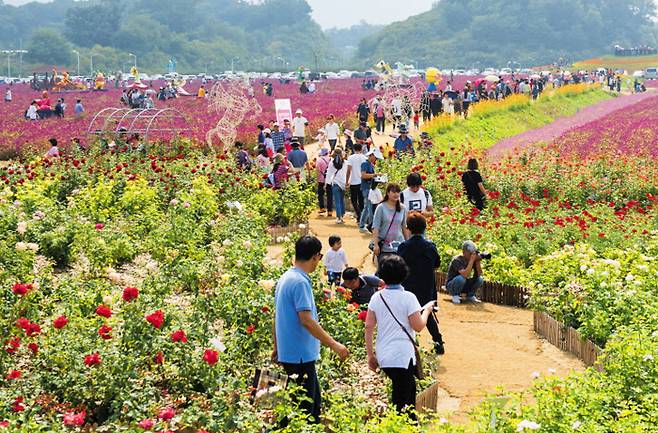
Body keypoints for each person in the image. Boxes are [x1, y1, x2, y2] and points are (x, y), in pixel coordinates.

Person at [273, 236, 349, 425]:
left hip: (292, 353)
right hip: (300, 356)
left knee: (307, 408)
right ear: (315, 257)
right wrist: (334, 345)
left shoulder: (286, 277)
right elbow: (306, 320)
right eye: (320, 257)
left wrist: (276, 347)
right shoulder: (300, 282)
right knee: (306, 413)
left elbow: (276, 316)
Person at [364, 255, 435, 419]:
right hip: (402, 357)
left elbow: (368, 327)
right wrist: (427, 311)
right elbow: (418, 326)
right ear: (404, 274)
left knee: (407, 392)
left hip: (384, 355)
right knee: (402, 402)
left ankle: (406, 425)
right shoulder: (409, 297)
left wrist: (370, 355)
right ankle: (400, 426)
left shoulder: (377, 297)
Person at [397, 213, 445, 354]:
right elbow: (437, 264)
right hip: (426, 285)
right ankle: (438, 343)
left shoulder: (404, 247)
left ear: (408, 228)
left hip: (408, 285)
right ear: (424, 228)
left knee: (406, 315)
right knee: (427, 314)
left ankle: (410, 345)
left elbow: (399, 265)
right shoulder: (430, 246)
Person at [371, 183, 409, 269]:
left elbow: (404, 227)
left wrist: (407, 243)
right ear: (388, 193)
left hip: (399, 245)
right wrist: (375, 244)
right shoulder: (381, 208)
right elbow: (375, 227)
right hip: (384, 246)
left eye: (398, 192)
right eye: (393, 192)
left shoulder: (402, 208)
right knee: (384, 272)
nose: (396, 194)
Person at [358, 148, 383, 232]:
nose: (376, 159)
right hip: (366, 188)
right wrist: (374, 175)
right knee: (370, 207)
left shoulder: (370, 164)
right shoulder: (365, 164)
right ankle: (372, 226)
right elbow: (363, 175)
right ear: (371, 155)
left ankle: (362, 225)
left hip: (370, 188)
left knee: (367, 207)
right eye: (375, 157)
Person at [346, 143, 367, 222]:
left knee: (354, 200)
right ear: (361, 149)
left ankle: (359, 215)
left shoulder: (351, 158)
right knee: (361, 200)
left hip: (354, 181)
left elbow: (349, 170)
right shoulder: (364, 158)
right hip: (362, 181)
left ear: (354, 149)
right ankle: (360, 217)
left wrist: (347, 180)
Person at [326, 148, 347, 224]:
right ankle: (342, 214)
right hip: (343, 183)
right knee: (341, 200)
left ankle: (339, 217)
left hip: (335, 183)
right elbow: (347, 173)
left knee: (337, 201)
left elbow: (329, 173)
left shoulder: (332, 162)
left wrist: (327, 183)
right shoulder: (345, 162)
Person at [316, 148, 332, 216]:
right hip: (329, 179)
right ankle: (330, 211)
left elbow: (318, 170)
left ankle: (322, 208)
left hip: (321, 179)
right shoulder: (331, 160)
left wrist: (317, 179)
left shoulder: (319, 160)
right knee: (329, 194)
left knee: (320, 194)